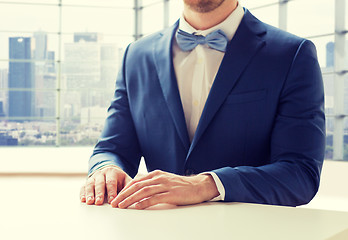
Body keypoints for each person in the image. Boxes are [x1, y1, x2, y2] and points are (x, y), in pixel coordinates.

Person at [80, 0, 325, 210]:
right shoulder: (136, 55)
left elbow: (301, 174)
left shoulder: (291, 55)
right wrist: (106, 168)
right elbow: (112, 148)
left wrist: (207, 185)